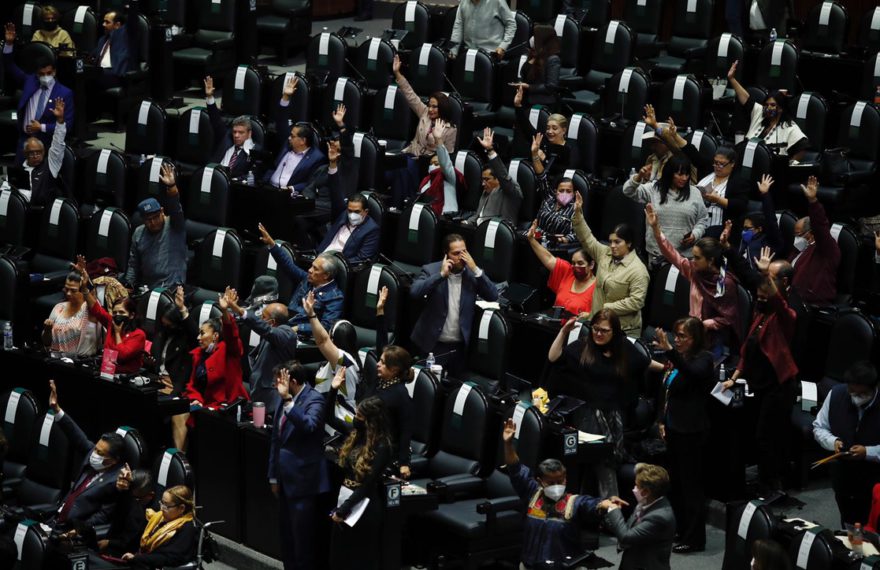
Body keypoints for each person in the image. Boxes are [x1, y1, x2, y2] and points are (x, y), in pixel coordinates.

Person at [548, 310, 648, 497]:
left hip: (613, 417)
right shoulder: (583, 347)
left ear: (614, 332)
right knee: (604, 459)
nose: (598, 334)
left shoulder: (622, 348)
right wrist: (563, 332)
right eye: (595, 329)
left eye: (604, 330)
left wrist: (668, 364)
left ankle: (596, 508)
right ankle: (612, 509)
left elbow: (644, 362)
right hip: (586, 416)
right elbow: (554, 357)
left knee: (600, 462)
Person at [502, 417, 621, 569]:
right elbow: (515, 468)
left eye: (561, 481)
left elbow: (593, 504)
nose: (557, 486)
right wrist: (508, 444)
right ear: (540, 481)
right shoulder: (532, 492)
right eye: (551, 483)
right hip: (531, 564)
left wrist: (608, 503)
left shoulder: (574, 502)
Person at [722, 275, 797, 496]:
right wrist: (734, 377)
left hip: (779, 387)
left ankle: (772, 484)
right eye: (758, 297)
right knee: (756, 434)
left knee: (767, 437)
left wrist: (770, 281)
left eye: (765, 297)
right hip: (760, 384)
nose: (760, 300)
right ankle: (763, 479)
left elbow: (782, 305)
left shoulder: (784, 319)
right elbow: (748, 350)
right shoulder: (759, 315)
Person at [651, 319, 713, 554]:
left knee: (691, 487)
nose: (677, 340)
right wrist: (660, 420)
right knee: (675, 485)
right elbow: (665, 389)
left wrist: (669, 351)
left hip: (692, 432)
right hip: (673, 429)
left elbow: (693, 374)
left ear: (695, 339)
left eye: (682, 336)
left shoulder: (703, 360)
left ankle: (695, 538)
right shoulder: (677, 359)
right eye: (675, 335)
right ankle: (681, 529)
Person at [646, 204, 741, 357]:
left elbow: (728, 318)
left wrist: (703, 325)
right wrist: (656, 229)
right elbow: (672, 254)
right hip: (691, 334)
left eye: (697, 258)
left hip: (711, 340)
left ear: (710, 261)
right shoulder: (695, 271)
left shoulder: (724, 283)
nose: (693, 261)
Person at [268, 360, 330, 570]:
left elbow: (309, 426)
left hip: (304, 483)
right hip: (284, 480)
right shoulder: (284, 399)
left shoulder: (315, 399)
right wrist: (273, 476)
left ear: (292, 382)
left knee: (303, 541)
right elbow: (276, 441)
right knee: (287, 539)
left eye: (280, 383)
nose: (277, 387)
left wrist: (287, 400)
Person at [410, 234, 499, 375]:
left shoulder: (472, 274)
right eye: (456, 253)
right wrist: (441, 275)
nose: (461, 257)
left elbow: (493, 295)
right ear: (446, 254)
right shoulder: (431, 270)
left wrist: (476, 269)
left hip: (459, 348)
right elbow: (415, 292)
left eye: (464, 252)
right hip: (433, 345)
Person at [173, 287, 250, 450]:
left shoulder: (228, 351)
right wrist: (196, 400)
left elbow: (232, 335)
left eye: (202, 333)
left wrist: (225, 311)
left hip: (225, 408)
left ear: (215, 335)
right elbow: (192, 385)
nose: (198, 337)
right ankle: (179, 460)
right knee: (177, 413)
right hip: (204, 406)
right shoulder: (199, 354)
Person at [48, 380, 125, 530]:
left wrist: (77, 530)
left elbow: (103, 516)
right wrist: (57, 409)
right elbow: (75, 434)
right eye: (96, 449)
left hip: (71, 530)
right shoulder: (92, 454)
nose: (93, 454)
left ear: (113, 460)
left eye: (100, 453)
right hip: (54, 518)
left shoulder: (115, 482)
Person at [572, 192, 650, 337]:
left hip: (623, 330)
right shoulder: (605, 253)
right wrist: (578, 213)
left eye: (617, 242)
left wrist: (606, 308)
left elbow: (636, 302)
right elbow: (587, 238)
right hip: (599, 324)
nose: (612, 246)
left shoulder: (638, 270)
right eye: (611, 241)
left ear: (629, 243)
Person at [813, 361, 880, 526]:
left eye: (861, 393)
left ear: (874, 388)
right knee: (848, 521)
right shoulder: (836, 394)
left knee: (872, 526)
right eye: (852, 392)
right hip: (843, 476)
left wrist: (868, 452)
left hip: (875, 479)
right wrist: (833, 442)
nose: (855, 397)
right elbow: (819, 427)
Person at [328, 396, 391, 570]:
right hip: (346, 500)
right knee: (339, 559)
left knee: (359, 561)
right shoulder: (355, 434)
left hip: (365, 507)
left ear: (371, 421)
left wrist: (343, 509)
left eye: (360, 416)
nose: (356, 418)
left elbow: (367, 485)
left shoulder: (382, 447)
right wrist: (333, 389)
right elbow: (329, 417)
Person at [389, 55, 458, 208]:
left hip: (427, 163)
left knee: (404, 168)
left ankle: (402, 204)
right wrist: (398, 74)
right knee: (395, 165)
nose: (431, 109)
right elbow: (410, 96)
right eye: (430, 105)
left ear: (443, 108)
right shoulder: (424, 113)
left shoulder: (450, 128)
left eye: (435, 107)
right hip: (411, 154)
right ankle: (397, 204)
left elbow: (448, 154)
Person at [258, 223, 344, 337]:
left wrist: (299, 328)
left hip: (301, 335)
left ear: (326, 275)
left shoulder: (335, 297)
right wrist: (271, 244)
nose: (309, 270)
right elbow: (288, 265)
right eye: (311, 266)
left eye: (315, 269)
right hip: (285, 325)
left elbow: (325, 326)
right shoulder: (307, 279)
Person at [3, 23, 74, 160]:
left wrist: (41, 127)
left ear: (54, 72)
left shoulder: (65, 93)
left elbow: (67, 127)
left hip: (44, 145)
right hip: (24, 142)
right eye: (41, 74)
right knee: (19, 178)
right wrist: (9, 43)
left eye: (48, 73)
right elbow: (9, 66)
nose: (45, 76)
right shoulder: (29, 81)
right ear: (36, 73)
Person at [624, 154, 709, 267]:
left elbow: (703, 220)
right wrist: (639, 176)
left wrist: (695, 234)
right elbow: (628, 191)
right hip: (657, 255)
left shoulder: (695, 193)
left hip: (685, 257)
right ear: (669, 173)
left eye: (687, 174)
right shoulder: (653, 189)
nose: (684, 178)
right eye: (679, 174)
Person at [223, 287, 295, 413]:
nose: (260, 319)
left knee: (263, 430)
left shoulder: (287, 334)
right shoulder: (271, 333)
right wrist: (228, 309)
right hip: (259, 392)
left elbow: (264, 329)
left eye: (263, 316)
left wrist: (240, 310)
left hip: (271, 397)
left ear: (272, 322)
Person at [123, 163, 187, 290]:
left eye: (156, 217)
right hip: (146, 288)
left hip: (171, 289)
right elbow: (133, 264)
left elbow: (176, 208)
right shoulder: (139, 233)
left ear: (162, 212)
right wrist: (128, 286)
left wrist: (171, 187)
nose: (152, 222)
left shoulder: (175, 224)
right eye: (148, 220)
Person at [76, 258, 146, 374]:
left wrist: (117, 333)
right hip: (106, 373)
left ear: (132, 315)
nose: (117, 315)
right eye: (115, 312)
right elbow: (96, 308)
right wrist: (84, 288)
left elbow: (122, 355)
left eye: (122, 313)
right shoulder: (110, 322)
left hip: (125, 378)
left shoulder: (138, 335)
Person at [727, 61, 808, 160]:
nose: (768, 108)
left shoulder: (789, 127)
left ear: (780, 108)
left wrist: (788, 168)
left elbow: (802, 147)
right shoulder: (760, 113)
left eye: (773, 105)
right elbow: (746, 98)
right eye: (766, 105)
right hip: (745, 159)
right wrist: (731, 79)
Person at [602, 463, 676, 570]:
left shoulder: (660, 517)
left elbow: (626, 537)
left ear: (646, 492)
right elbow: (627, 529)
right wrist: (611, 511)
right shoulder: (646, 502)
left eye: (636, 485)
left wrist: (613, 509)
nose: (634, 488)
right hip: (633, 561)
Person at [317, 141, 380, 265]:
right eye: (350, 210)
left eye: (356, 212)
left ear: (365, 212)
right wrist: (333, 163)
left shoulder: (371, 230)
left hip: (337, 266)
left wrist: (337, 263)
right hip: (320, 257)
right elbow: (335, 191)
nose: (351, 214)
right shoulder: (342, 214)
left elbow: (362, 259)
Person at [106, 485, 197, 569]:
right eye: (162, 502)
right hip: (141, 559)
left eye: (166, 505)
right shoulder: (159, 516)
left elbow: (169, 558)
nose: (161, 508)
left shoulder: (187, 529)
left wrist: (138, 558)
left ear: (181, 508)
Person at [266, 76, 327, 194]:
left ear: (302, 141)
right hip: (268, 188)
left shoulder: (317, 158)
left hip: (287, 195)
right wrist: (286, 97)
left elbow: (311, 182)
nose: (289, 138)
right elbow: (281, 122)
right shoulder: (287, 145)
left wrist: (292, 189)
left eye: (293, 136)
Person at [10, 95, 71, 207]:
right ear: (25, 154)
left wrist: (60, 121)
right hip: (21, 210)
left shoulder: (51, 165)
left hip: (42, 213)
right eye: (31, 153)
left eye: (38, 152)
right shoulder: (18, 170)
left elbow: (58, 144)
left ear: (43, 152)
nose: (35, 155)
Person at [788, 175, 840, 305]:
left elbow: (821, 226)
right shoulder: (799, 249)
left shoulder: (826, 249)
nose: (796, 238)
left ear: (811, 233)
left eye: (799, 234)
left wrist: (813, 201)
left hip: (812, 304)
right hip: (793, 299)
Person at [527, 220, 596, 317]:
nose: (576, 267)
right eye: (573, 263)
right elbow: (549, 258)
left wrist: (589, 316)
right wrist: (531, 239)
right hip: (555, 325)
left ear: (591, 265)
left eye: (580, 263)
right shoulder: (567, 272)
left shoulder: (598, 287)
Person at [204, 76, 259, 180]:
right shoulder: (226, 139)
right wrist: (210, 97)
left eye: (241, 132)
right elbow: (216, 121)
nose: (236, 135)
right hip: (212, 178)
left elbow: (252, 176)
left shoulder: (254, 151)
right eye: (234, 132)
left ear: (249, 133)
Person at [465, 127, 523, 225]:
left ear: (498, 179)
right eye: (483, 180)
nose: (483, 183)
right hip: (478, 229)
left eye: (487, 179)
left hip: (497, 232)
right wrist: (466, 223)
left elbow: (503, 176)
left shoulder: (510, 191)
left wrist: (490, 150)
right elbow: (478, 216)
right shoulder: (486, 192)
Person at [95, 467, 156, 558]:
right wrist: (119, 487)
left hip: (125, 554)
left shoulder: (150, 515)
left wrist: (109, 543)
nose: (132, 500)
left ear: (150, 495)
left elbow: (129, 543)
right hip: (110, 541)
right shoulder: (129, 495)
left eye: (136, 498)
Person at [147, 286, 196, 395]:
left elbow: (194, 333)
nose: (166, 327)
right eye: (164, 324)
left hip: (173, 384)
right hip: (155, 381)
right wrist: (150, 362)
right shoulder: (161, 334)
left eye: (169, 325)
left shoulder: (186, 338)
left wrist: (182, 308)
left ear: (176, 324)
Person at [42, 270, 101, 356]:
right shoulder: (59, 308)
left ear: (83, 290)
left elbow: (94, 300)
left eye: (73, 291)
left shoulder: (88, 309)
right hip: (56, 360)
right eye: (66, 289)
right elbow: (46, 343)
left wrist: (85, 283)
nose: (68, 293)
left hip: (80, 364)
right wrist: (47, 330)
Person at [515, 85, 569, 176]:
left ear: (563, 130)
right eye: (548, 128)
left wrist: (544, 158)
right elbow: (526, 127)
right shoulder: (542, 140)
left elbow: (563, 172)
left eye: (554, 128)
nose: (550, 131)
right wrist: (518, 105)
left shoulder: (569, 149)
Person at [415, 122, 463, 215]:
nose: (433, 166)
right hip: (426, 216)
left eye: (437, 164)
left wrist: (438, 139)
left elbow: (445, 164)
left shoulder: (450, 178)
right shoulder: (425, 182)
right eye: (431, 163)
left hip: (446, 218)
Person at [738, 174, 784, 269]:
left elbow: (771, 220)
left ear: (759, 229)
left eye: (747, 228)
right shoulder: (744, 241)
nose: (744, 231)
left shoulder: (769, 241)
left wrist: (765, 194)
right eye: (744, 228)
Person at [91, 4, 139, 87]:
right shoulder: (102, 40)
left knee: (93, 77)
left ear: (117, 25)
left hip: (117, 75)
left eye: (107, 22)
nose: (103, 24)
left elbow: (133, 23)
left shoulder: (125, 37)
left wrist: (133, 5)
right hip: (100, 72)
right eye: (103, 21)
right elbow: (93, 56)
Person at [449, 0, 516, 59]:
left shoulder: (497, 1)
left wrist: (503, 46)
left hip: (491, 54)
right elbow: (458, 26)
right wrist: (454, 49)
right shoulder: (463, 2)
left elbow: (511, 24)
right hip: (469, 52)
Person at [516, 24, 561, 108]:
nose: (532, 38)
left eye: (535, 36)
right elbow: (524, 74)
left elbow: (551, 86)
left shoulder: (553, 59)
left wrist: (529, 87)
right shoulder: (532, 55)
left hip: (542, 103)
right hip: (526, 99)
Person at [534, 175, 577, 246]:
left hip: (554, 245)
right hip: (536, 236)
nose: (564, 194)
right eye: (561, 190)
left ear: (573, 194)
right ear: (555, 191)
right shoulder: (548, 199)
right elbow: (542, 178)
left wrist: (566, 239)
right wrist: (535, 234)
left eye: (568, 191)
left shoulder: (575, 210)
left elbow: (577, 234)